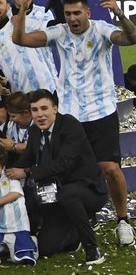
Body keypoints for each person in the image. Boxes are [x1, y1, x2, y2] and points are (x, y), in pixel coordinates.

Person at [12, 0, 136, 245]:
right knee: (71, 170)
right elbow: (20, 39)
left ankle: (122, 220)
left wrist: (119, 13)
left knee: (110, 168)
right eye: (68, 14)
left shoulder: (102, 30)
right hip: (70, 114)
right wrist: (22, 11)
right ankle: (80, 220)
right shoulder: (59, 33)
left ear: (87, 12)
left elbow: (131, 38)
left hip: (101, 111)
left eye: (77, 13)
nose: (72, 18)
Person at [7, 90, 109, 264]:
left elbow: (63, 163)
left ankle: (92, 249)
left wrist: (28, 172)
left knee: (68, 194)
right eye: (35, 110)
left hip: (89, 189)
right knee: (46, 248)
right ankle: (72, 236)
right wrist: (4, 172)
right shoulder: (34, 131)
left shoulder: (70, 124)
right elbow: (26, 159)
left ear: (55, 108)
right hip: (55, 193)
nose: (40, 114)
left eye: (44, 108)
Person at [0, 0, 57, 93]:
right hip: (20, 99)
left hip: (49, 92)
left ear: (8, 6)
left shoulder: (25, 23)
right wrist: (2, 82)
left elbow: (58, 27)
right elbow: (2, 71)